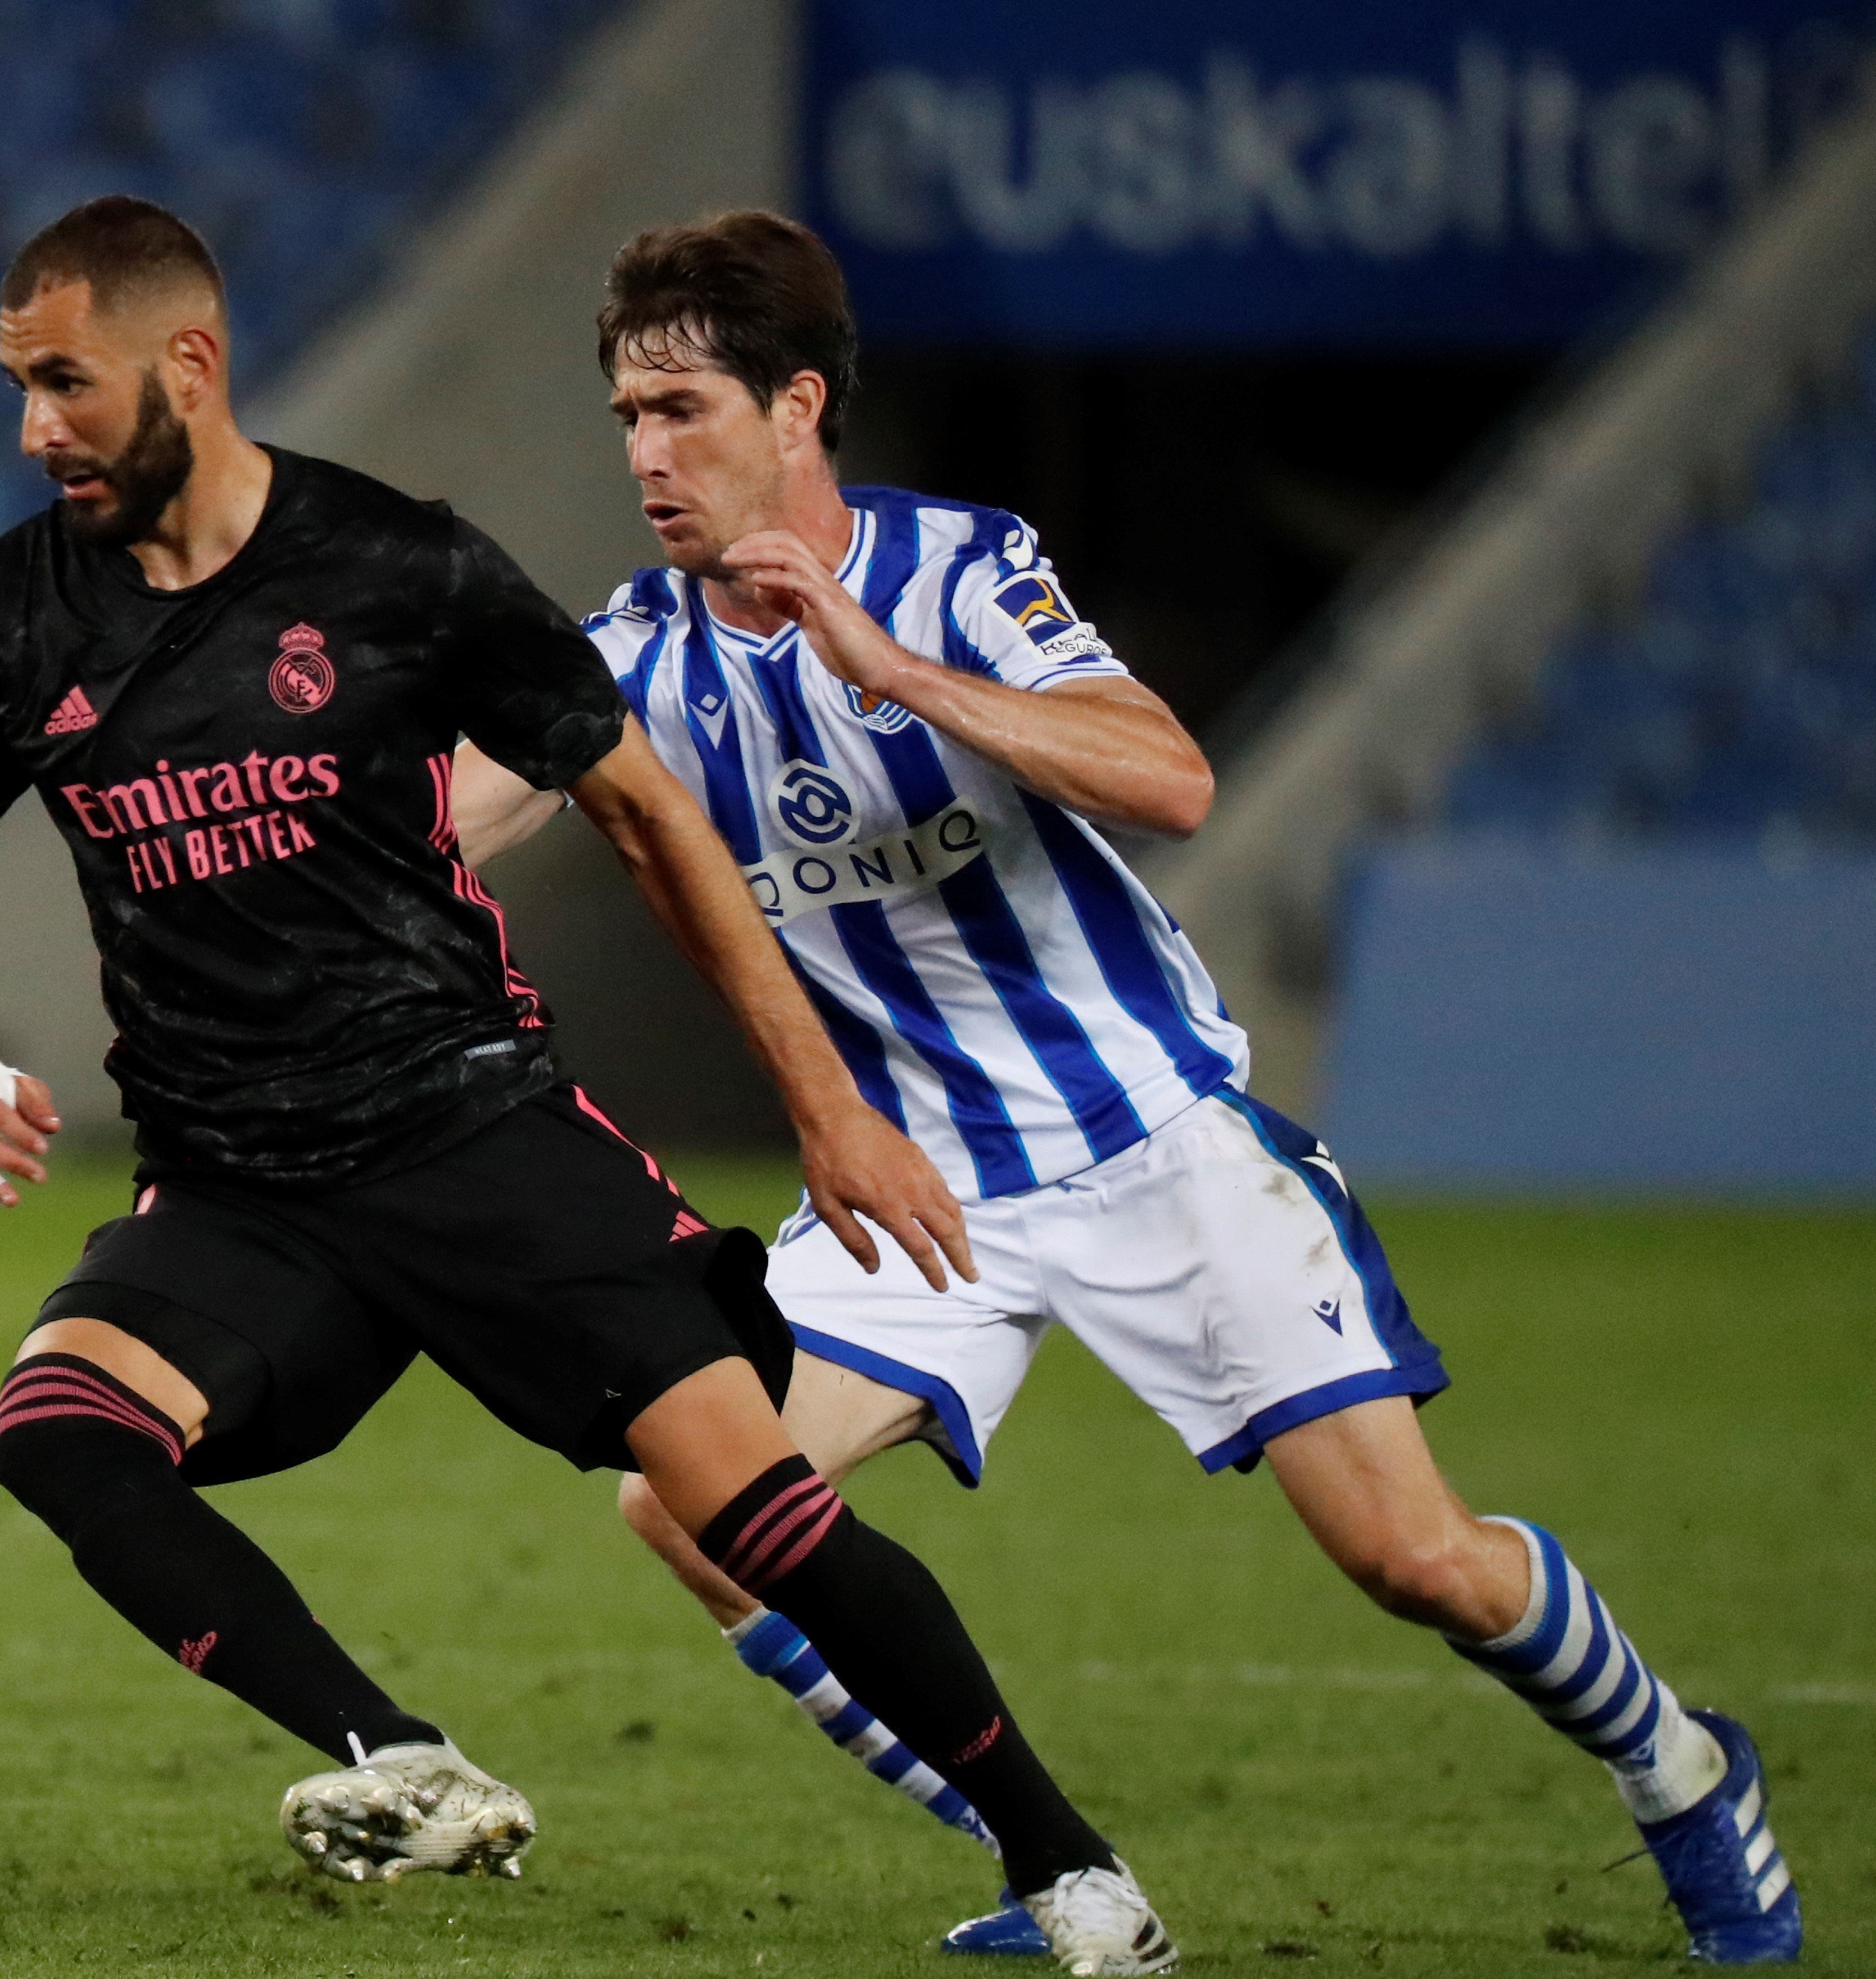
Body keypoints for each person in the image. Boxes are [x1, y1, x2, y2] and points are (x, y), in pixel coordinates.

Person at [452, 210, 1801, 1968]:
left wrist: (890, 668)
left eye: (683, 407)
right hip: (925, 1187)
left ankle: (1683, 1768)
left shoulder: (960, 574)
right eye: (627, 414)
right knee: (697, 1499)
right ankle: (1057, 1868)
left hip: (1154, 1140)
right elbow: (450, 812)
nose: (646, 452)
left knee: (1415, 1557)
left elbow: (1168, 777)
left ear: (798, 408)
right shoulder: (630, 651)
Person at [0, 195, 1177, 1971]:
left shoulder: (400, 566)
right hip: (242, 1181)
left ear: (190, 360)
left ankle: (1073, 1868)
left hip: (476, 1122)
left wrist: (823, 1101)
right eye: (20, 389)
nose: (36, 430)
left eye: (66, 385)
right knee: (58, 1433)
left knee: (764, 1514)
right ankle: (395, 1757)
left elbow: (652, 816)